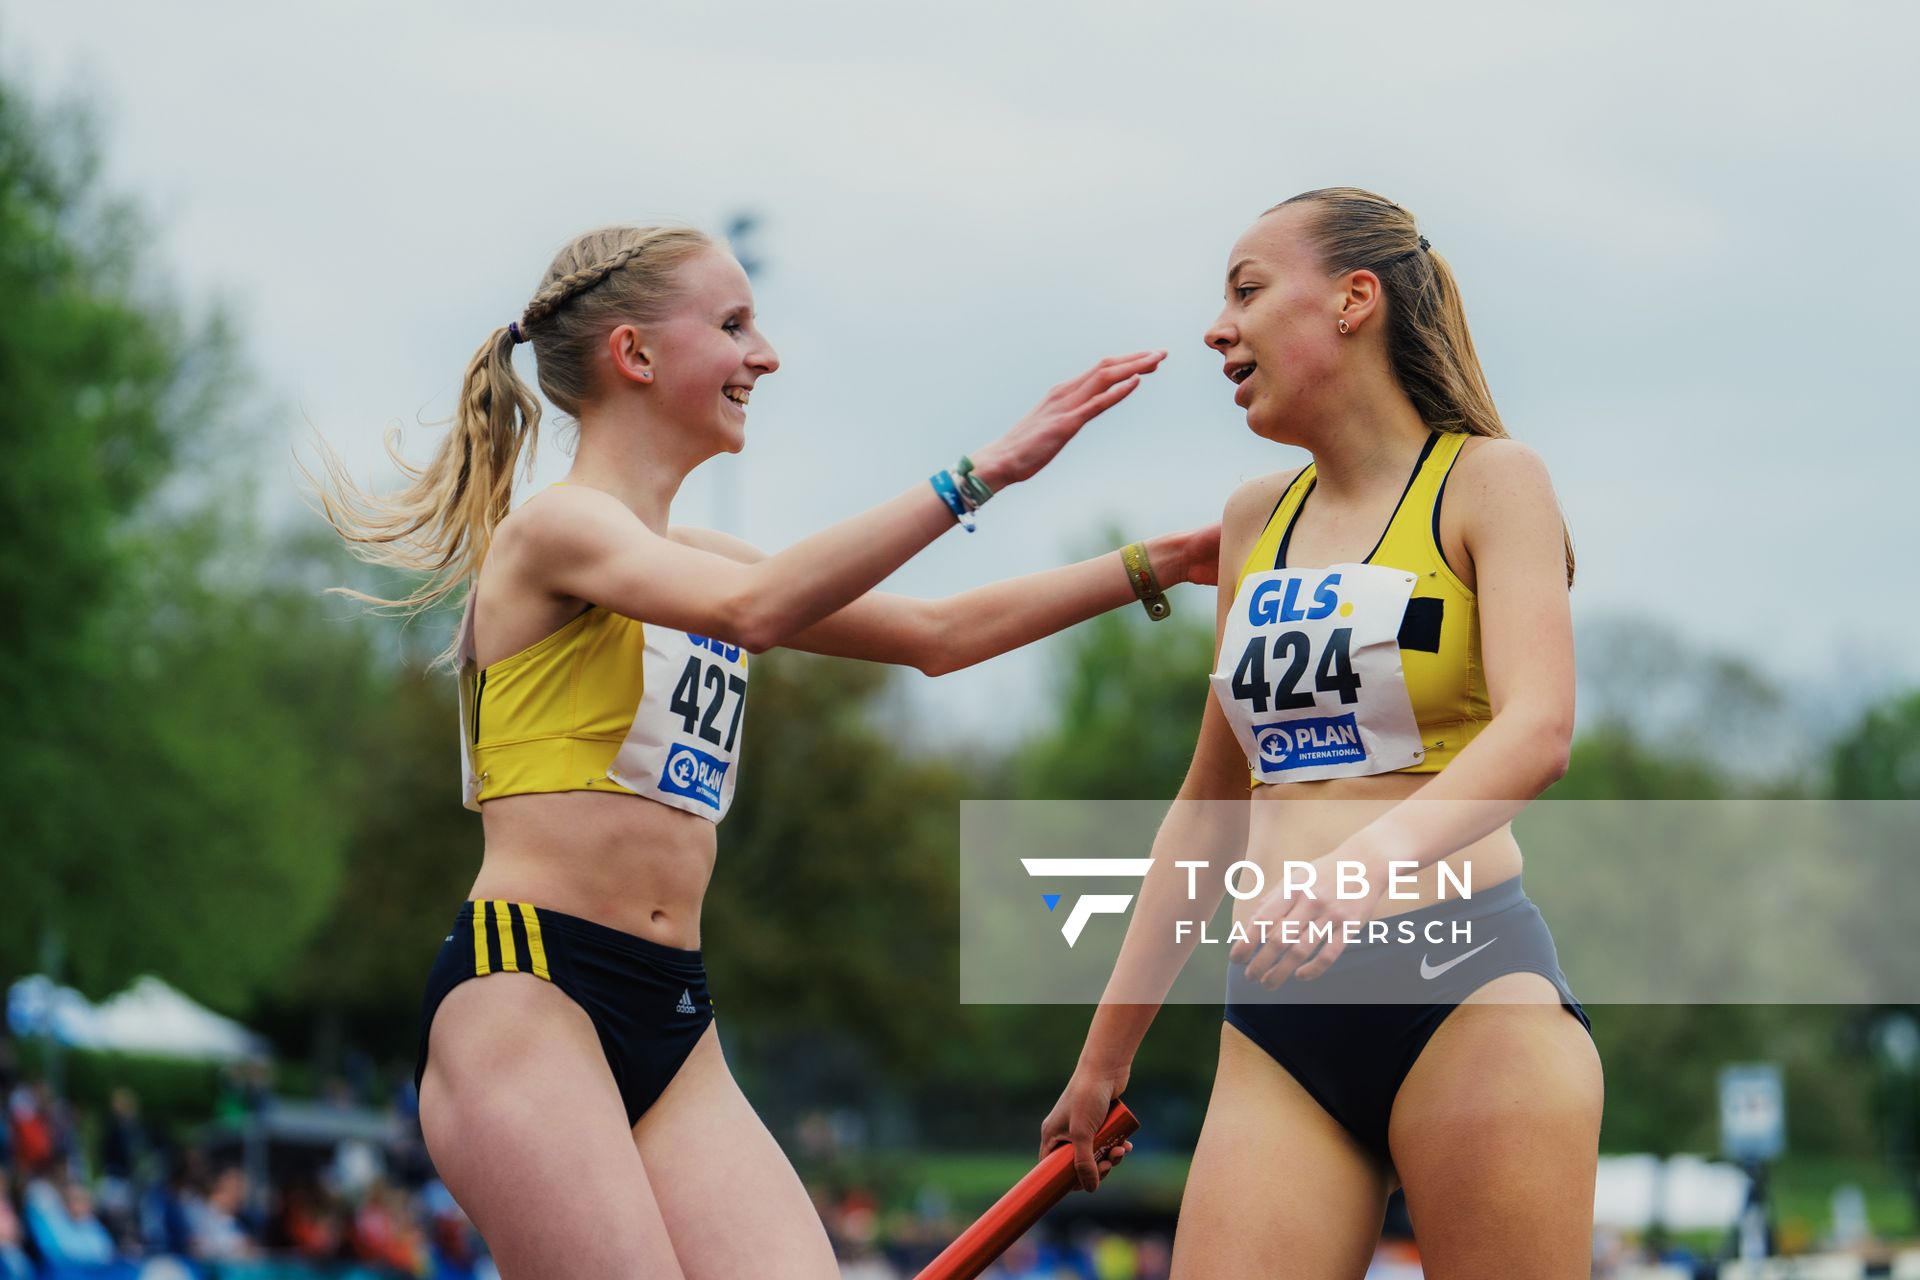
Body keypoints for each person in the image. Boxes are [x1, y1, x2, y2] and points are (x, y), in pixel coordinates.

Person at [305, 222, 1206, 1277]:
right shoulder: (555, 535)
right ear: (635, 354)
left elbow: (937, 635)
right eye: (733, 326)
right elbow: (757, 608)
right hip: (530, 994)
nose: (765, 354)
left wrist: (1170, 558)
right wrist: (980, 473)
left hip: (674, 1013)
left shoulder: (693, 559)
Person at [1040, 188, 1602, 1278]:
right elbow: (1208, 808)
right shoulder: (1257, 517)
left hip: (1466, 984)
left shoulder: (1491, 480)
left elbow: (1539, 729)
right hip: (1280, 1018)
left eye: (1246, 290)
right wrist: (1103, 1058)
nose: (1218, 326)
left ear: (1354, 301)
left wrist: (1353, 874)